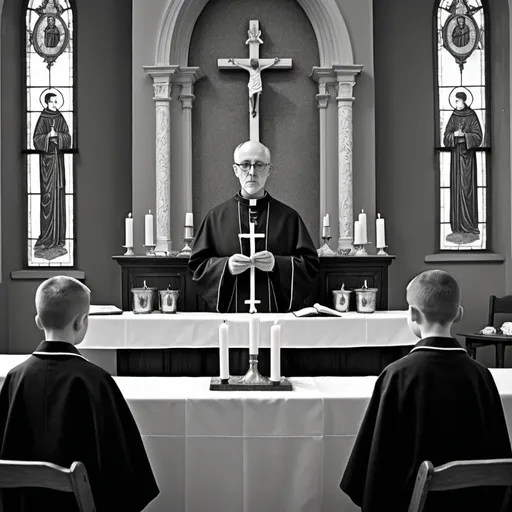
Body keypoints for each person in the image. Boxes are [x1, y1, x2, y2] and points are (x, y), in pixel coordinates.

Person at [340, 270, 512, 512]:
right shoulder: (481, 376)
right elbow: (499, 463)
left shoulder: (396, 375)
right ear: (459, 313)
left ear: (412, 314)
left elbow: (374, 469)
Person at [0, 276, 159, 511]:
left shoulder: (14, 378)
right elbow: (125, 471)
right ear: (82, 322)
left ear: (38, 321)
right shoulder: (96, 380)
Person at [189, 141, 320, 313]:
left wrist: (277, 264)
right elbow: (197, 266)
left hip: (275, 318)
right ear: (236, 170)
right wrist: (226, 267)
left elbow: (310, 265)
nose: (251, 172)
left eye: (259, 165)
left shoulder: (289, 218)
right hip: (231, 319)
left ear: (269, 170)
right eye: (245, 165)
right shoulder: (216, 217)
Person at [33, 92, 71, 260]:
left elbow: (68, 138)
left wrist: (59, 137)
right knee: (47, 199)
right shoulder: (42, 118)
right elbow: (36, 139)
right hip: (46, 164)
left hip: (58, 162)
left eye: (57, 101)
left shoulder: (60, 117)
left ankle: (58, 240)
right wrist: (48, 137)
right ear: (47, 102)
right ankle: (46, 238)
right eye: (53, 101)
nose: (56, 104)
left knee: (58, 198)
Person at [443, 91, 482, 245]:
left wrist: (465, 136)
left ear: (464, 101)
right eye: (455, 100)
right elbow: (445, 137)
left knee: (467, 189)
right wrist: (453, 135)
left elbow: (478, 137)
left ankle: (470, 227)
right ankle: (457, 227)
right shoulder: (453, 116)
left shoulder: (472, 116)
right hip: (455, 158)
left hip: (468, 158)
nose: (456, 103)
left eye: (457, 100)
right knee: (457, 189)